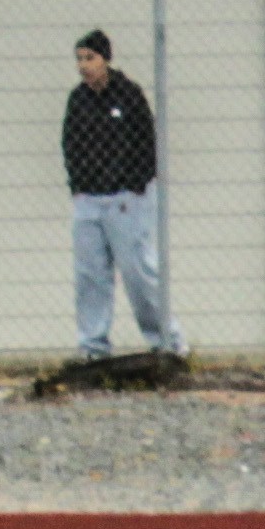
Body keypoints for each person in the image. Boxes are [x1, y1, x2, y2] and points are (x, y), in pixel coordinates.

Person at [59, 32, 182, 362]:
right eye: (79, 59)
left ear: (105, 59)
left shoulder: (128, 95)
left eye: (90, 58)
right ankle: (93, 347)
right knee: (91, 275)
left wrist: (134, 186)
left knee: (138, 272)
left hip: (127, 199)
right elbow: (70, 144)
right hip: (90, 200)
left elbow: (145, 144)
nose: (84, 66)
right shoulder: (78, 100)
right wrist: (79, 187)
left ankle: (166, 342)